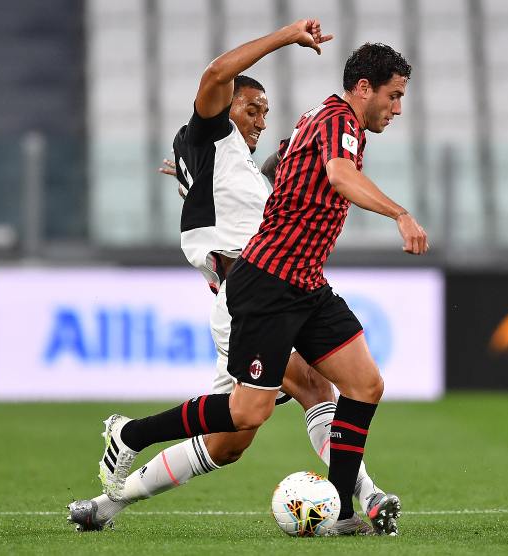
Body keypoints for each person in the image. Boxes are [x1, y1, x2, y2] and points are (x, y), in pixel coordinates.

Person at [68, 20, 392, 536]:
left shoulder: (233, 162)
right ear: (224, 108)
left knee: (231, 440)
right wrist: (286, 37)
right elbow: (218, 72)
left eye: (265, 112)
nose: (260, 120)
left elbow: (254, 190)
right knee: (313, 387)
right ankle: (360, 498)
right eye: (250, 108)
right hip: (255, 291)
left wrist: (194, 176)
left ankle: (108, 503)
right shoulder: (210, 132)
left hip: (256, 292)